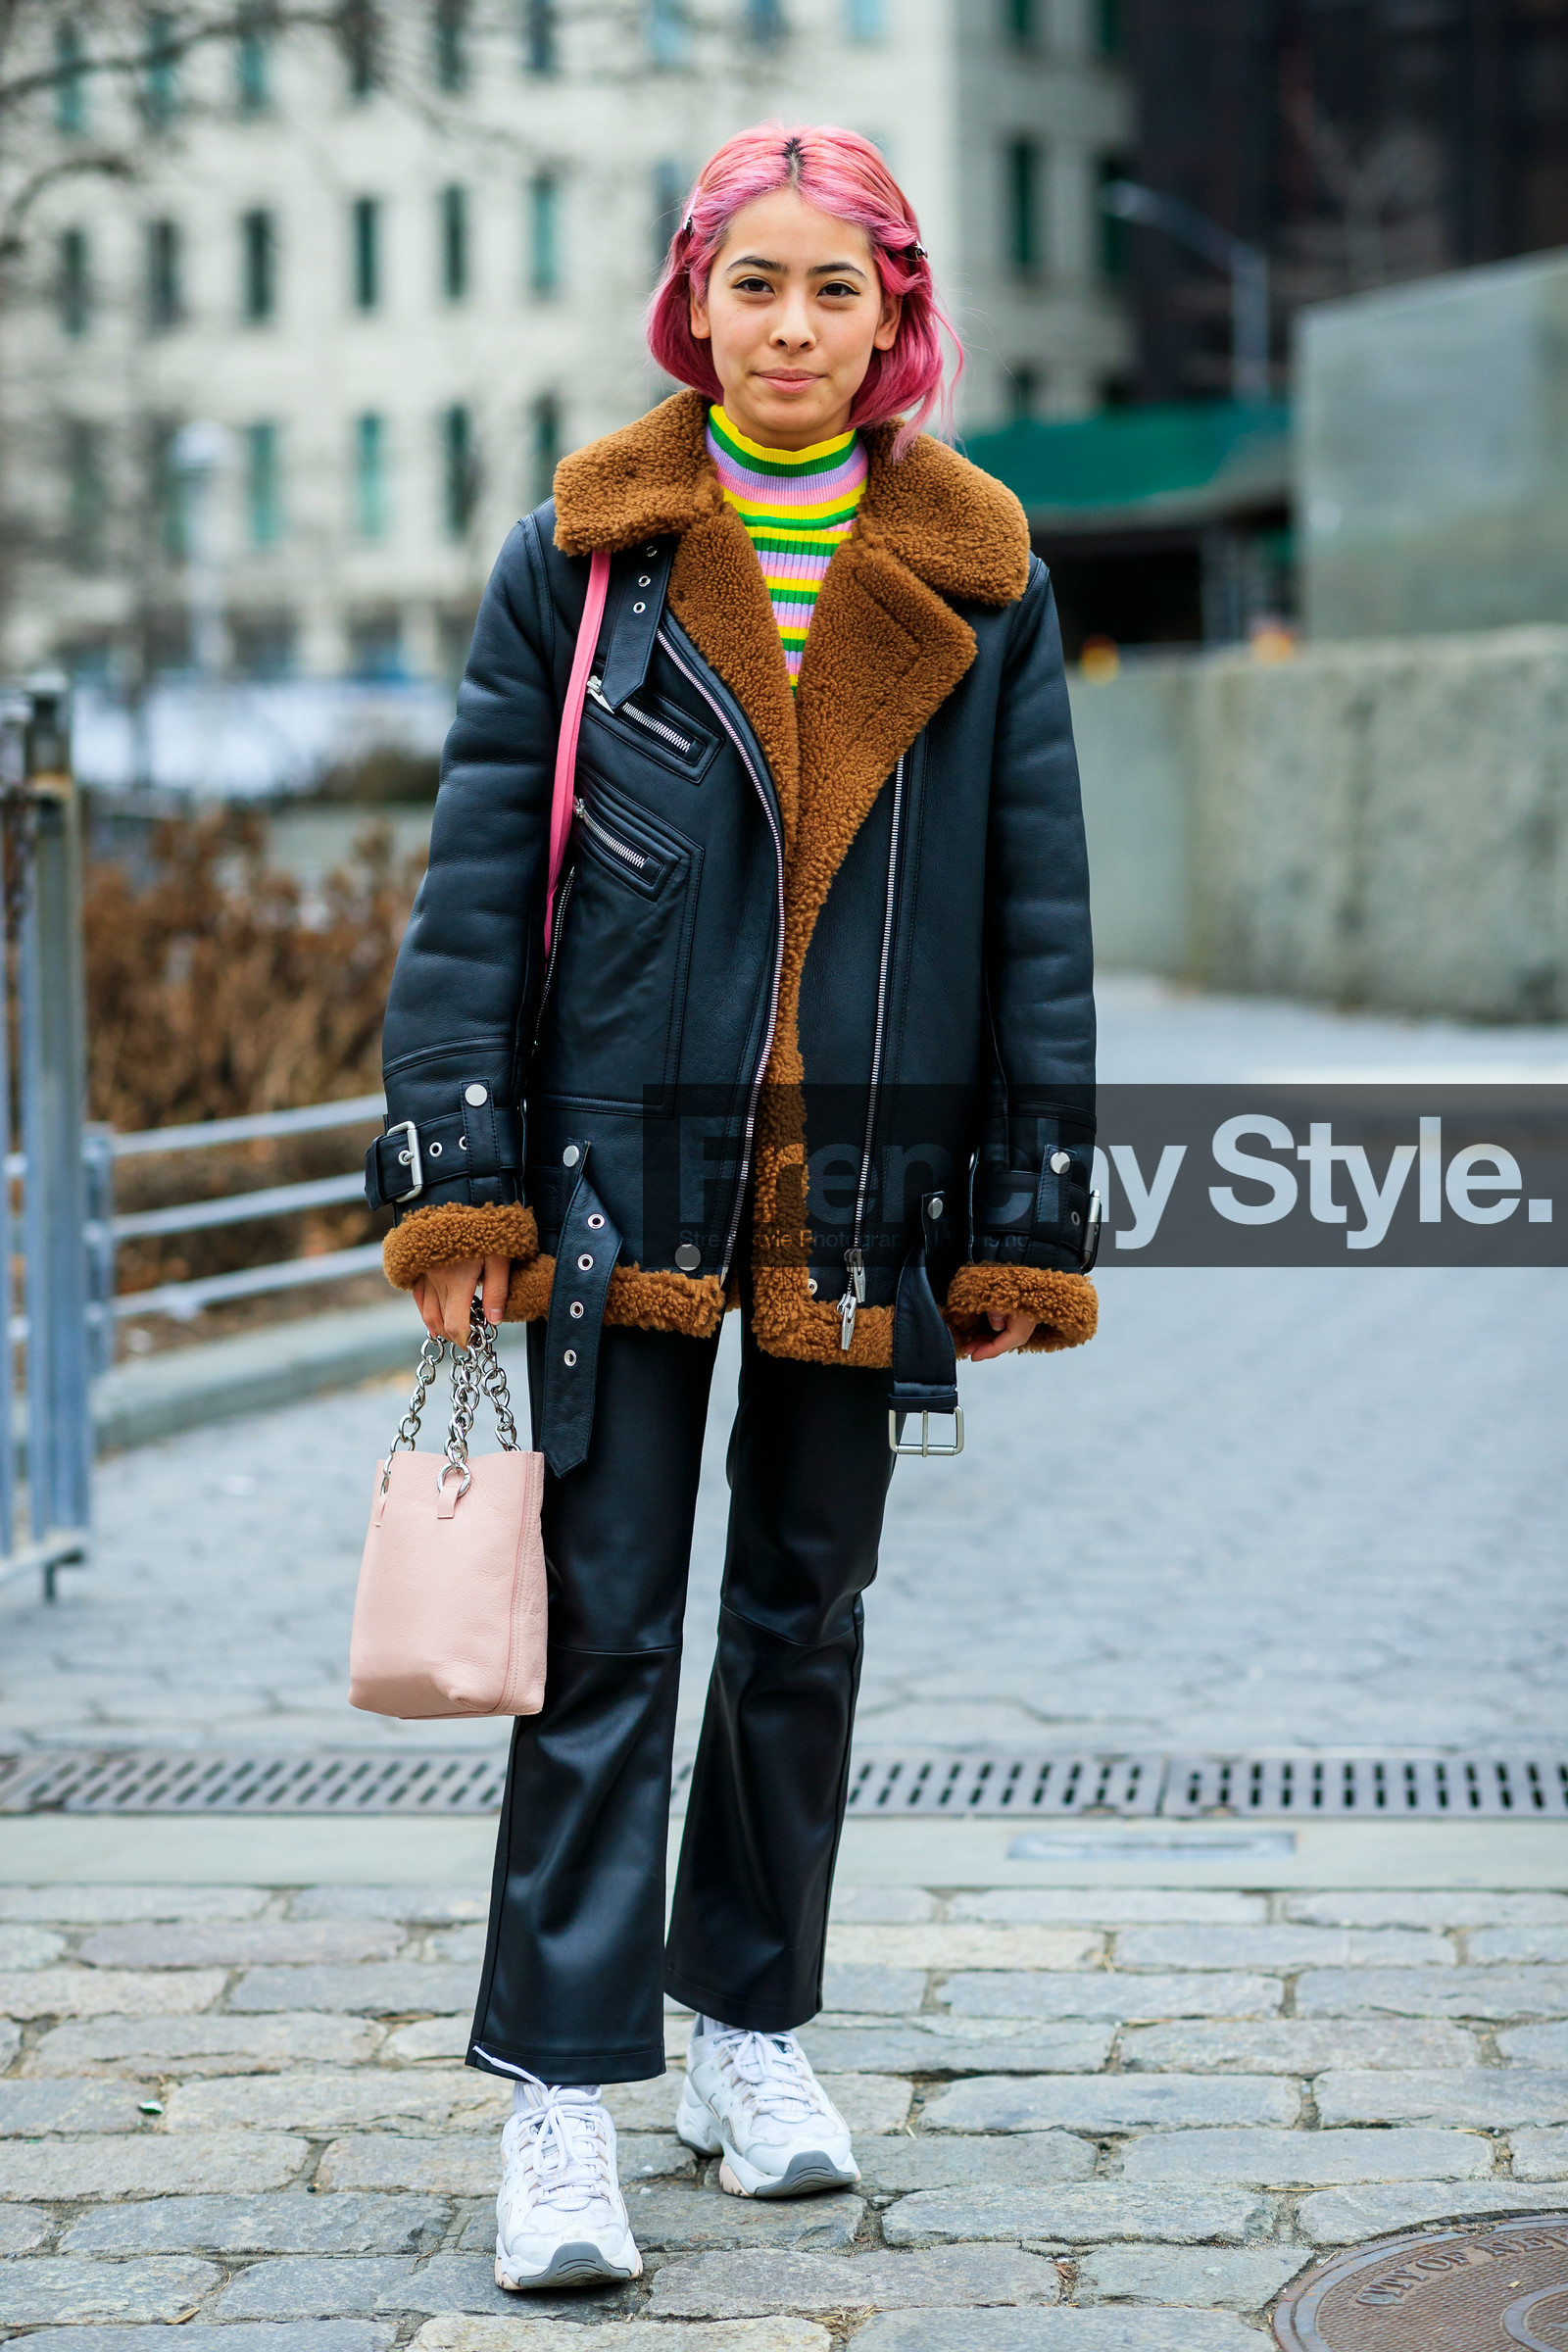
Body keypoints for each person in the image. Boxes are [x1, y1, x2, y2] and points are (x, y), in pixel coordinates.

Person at [368, 122, 1098, 2293]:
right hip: (617, 1181)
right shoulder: (581, 554)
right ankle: (559, 2100)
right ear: (695, 302)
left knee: (802, 1628)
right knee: (596, 1640)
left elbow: (1037, 913)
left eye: (833, 289)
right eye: (751, 284)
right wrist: (460, 1182)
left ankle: (749, 2033)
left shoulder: (985, 570)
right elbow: (476, 879)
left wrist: (1026, 1210)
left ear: (894, 317)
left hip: (862, 1190)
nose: (789, 326)